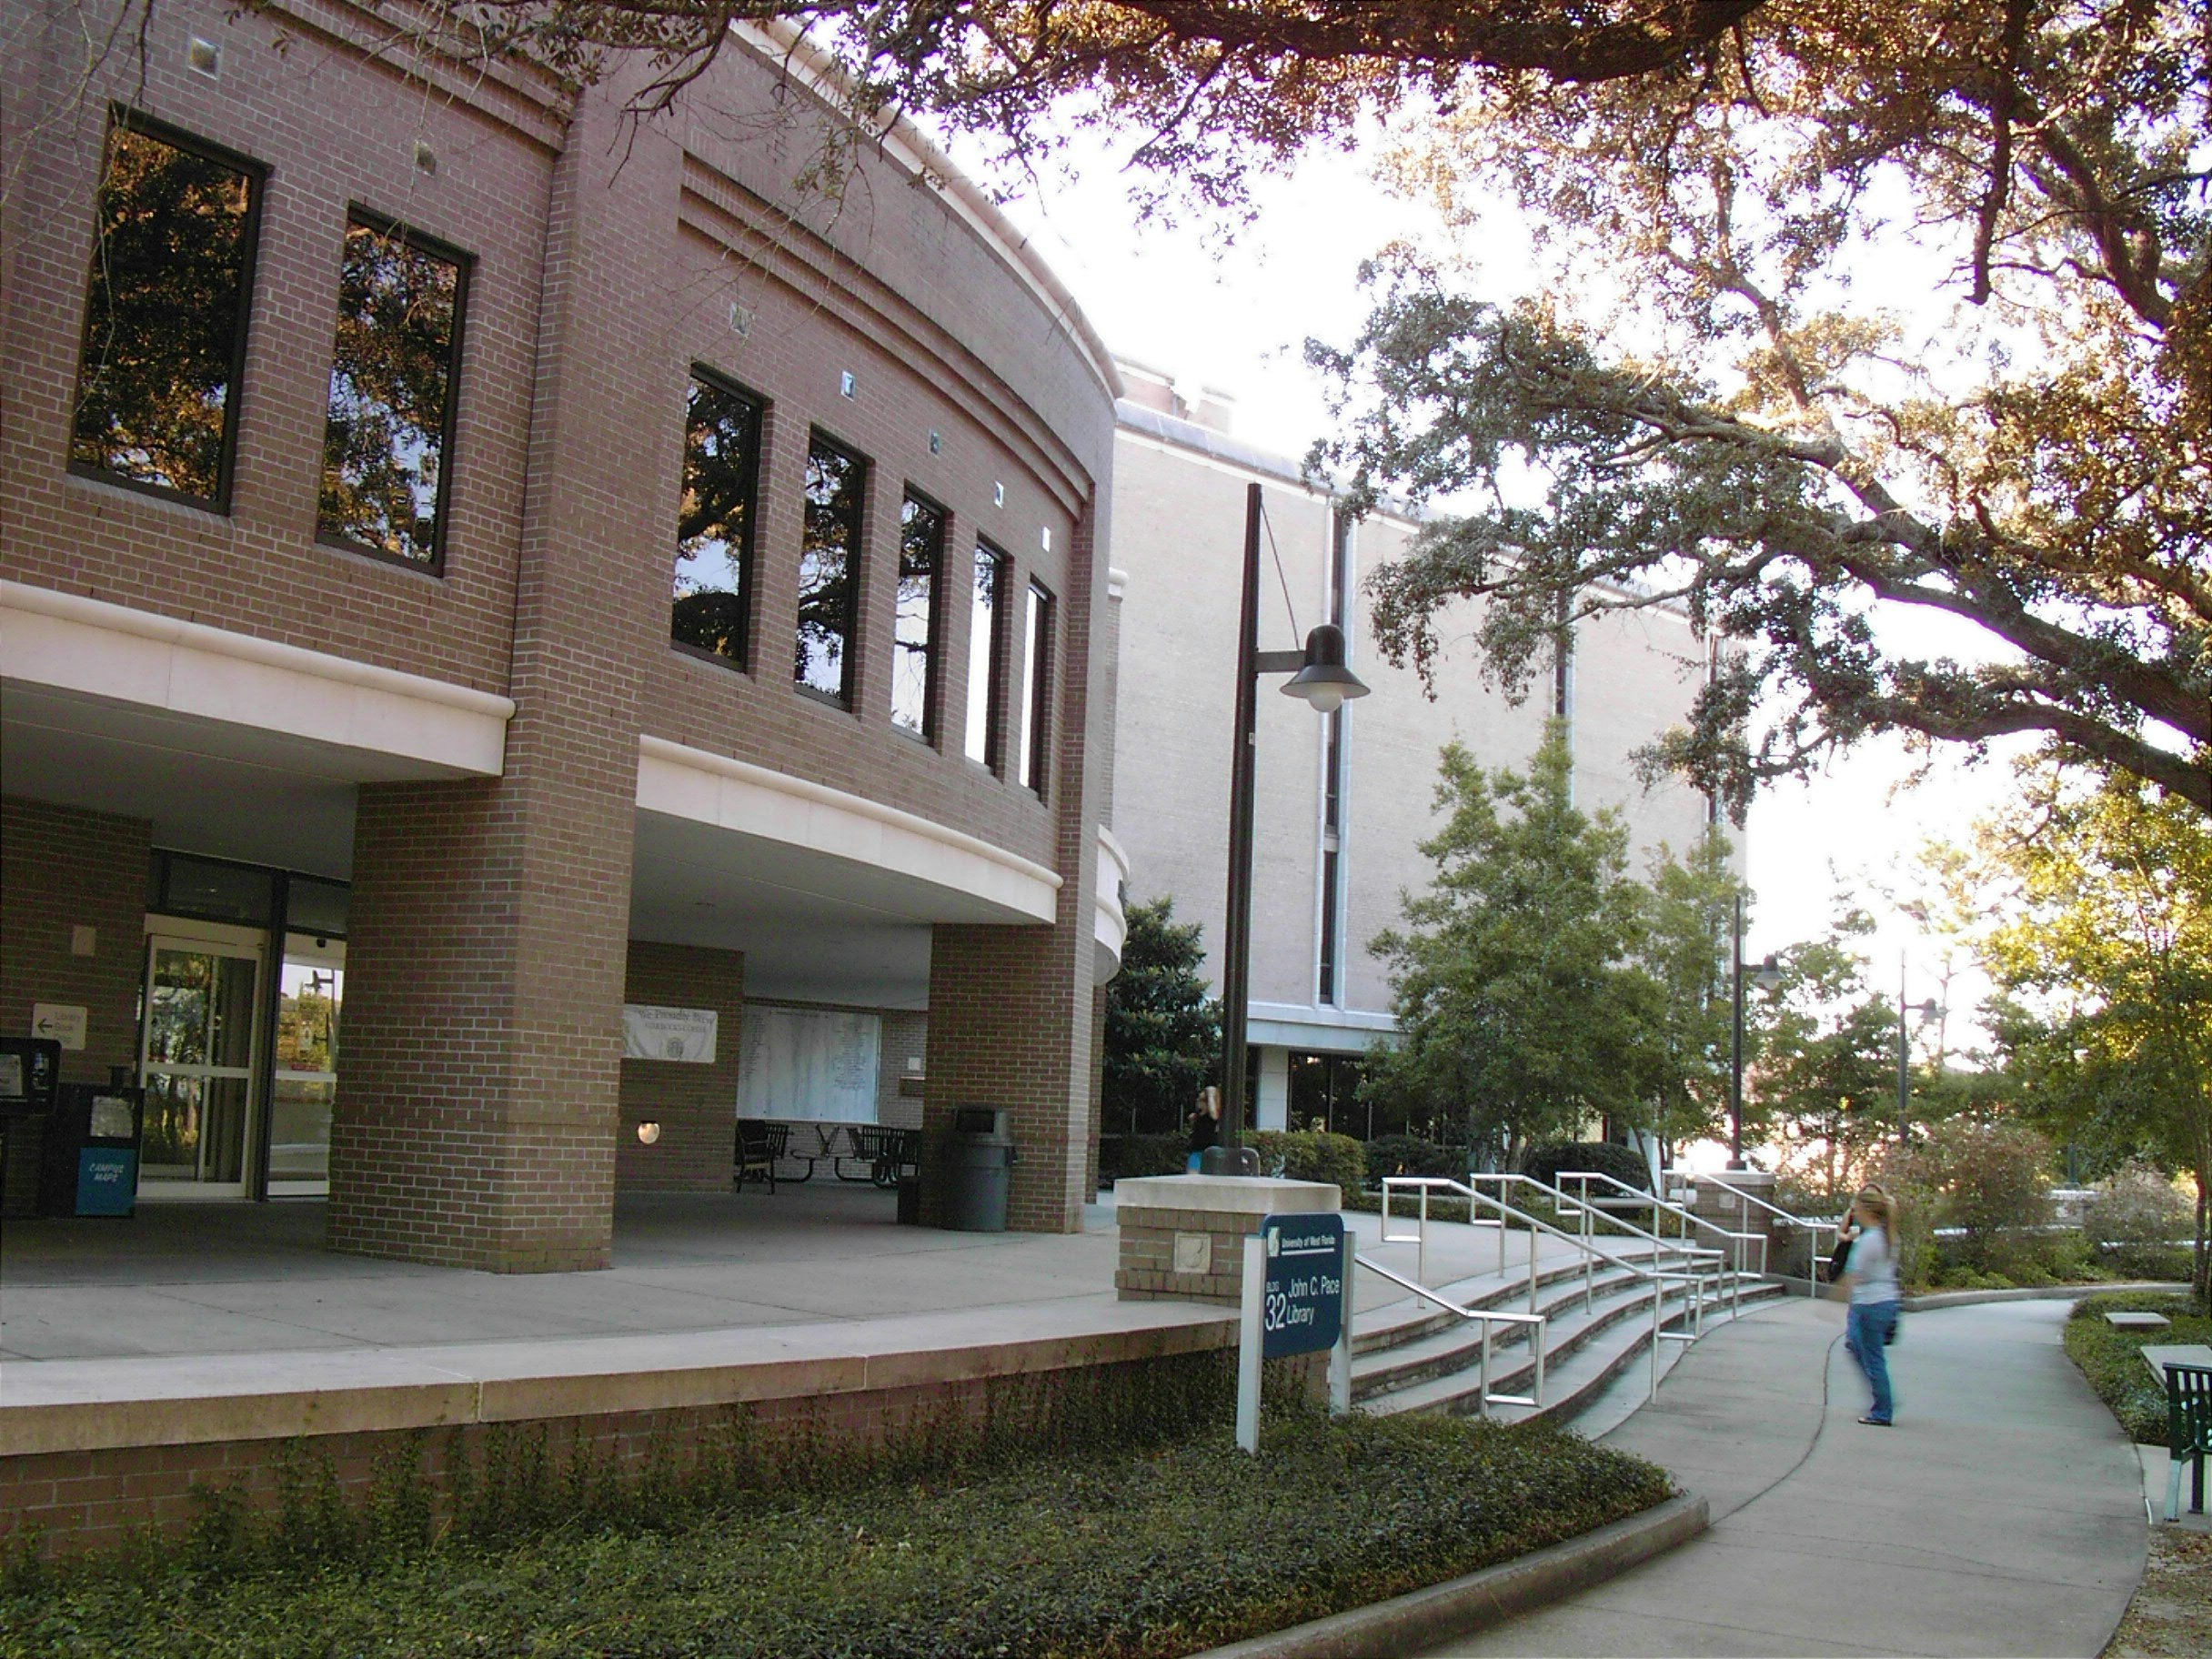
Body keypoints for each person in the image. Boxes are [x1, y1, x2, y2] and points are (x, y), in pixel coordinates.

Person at [1839, 1183, 1903, 1425]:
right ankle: (1882, 1398)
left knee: (1871, 1355)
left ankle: (1882, 1409)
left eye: (1856, 1209)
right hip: (1884, 1300)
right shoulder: (1887, 1237)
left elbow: (1854, 1274)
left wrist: (1831, 1302)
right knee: (1857, 1346)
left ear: (1866, 1211)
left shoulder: (1869, 1241)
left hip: (1869, 1303)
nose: (1854, 1214)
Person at [1185, 1085, 1221, 1173]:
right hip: (1196, 1150)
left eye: (1202, 1100)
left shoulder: (1212, 1115)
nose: (1198, 1102)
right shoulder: (1197, 1115)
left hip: (1209, 1152)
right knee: (1192, 1176)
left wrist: (1211, 1095)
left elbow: (1213, 1113)